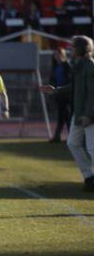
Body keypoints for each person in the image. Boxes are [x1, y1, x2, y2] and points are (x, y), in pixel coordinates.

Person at [40, 35, 94, 191]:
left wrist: (88, 114)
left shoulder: (90, 66)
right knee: (72, 143)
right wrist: (55, 91)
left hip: (88, 115)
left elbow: (92, 93)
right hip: (79, 113)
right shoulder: (78, 65)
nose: (70, 49)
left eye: (73, 47)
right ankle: (89, 176)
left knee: (92, 148)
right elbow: (74, 88)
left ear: (81, 49)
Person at [49, 45, 72, 143]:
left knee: (67, 116)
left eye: (58, 54)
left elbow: (70, 79)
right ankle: (57, 136)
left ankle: (70, 137)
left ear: (63, 55)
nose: (56, 56)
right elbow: (53, 80)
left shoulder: (67, 65)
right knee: (61, 116)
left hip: (66, 94)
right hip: (58, 94)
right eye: (55, 55)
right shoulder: (55, 67)